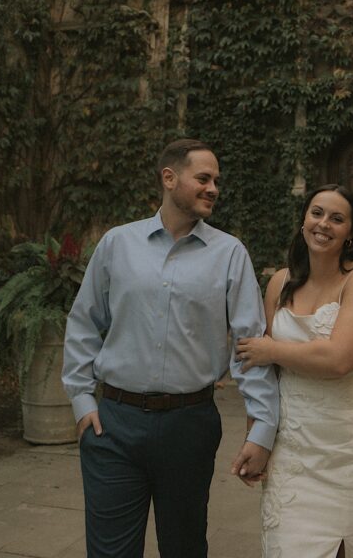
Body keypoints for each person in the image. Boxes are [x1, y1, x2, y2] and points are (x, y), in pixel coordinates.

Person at [62, 138, 279, 558]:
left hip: (189, 426)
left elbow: (251, 345)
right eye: (203, 178)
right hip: (113, 425)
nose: (213, 187)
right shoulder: (116, 244)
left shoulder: (230, 253)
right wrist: (82, 401)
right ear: (169, 178)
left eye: (216, 180)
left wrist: (263, 427)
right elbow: (85, 321)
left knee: (184, 548)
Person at [236, 183, 353, 558]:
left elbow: (339, 360)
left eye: (337, 218)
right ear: (304, 220)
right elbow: (265, 375)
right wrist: (256, 437)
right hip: (295, 448)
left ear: (351, 233)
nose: (324, 224)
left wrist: (271, 349)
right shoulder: (280, 282)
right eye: (317, 213)